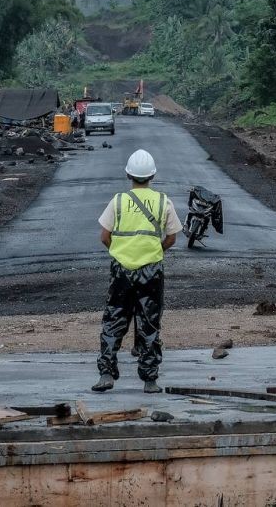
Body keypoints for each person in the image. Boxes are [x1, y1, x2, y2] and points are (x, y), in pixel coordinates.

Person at [93, 149, 182, 393]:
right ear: (152, 175)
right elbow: (172, 238)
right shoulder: (164, 201)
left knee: (113, 321)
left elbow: (105, 236)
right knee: (149, 324)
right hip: (151, 271)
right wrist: (154, 253)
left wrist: (121, 253)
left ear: (128, 175)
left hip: (121, 270)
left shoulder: (118, 201)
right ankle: (150, 380)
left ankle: (106, 374)